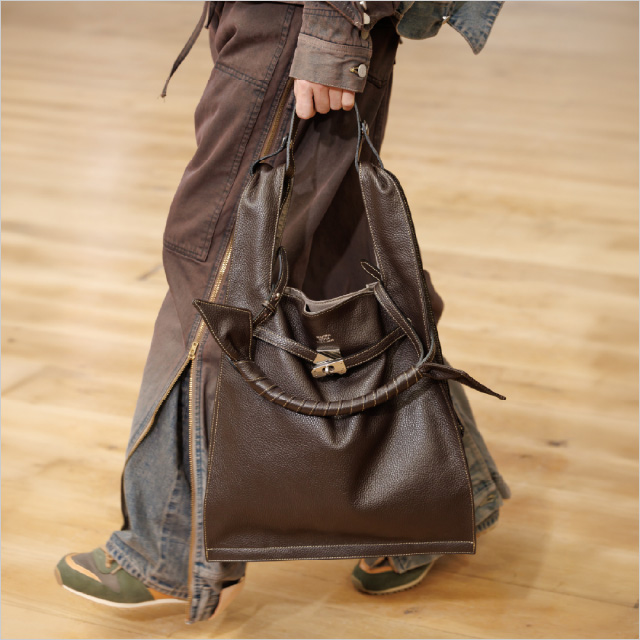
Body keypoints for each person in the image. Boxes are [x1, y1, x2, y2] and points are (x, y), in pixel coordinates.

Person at [54, 1, 510, 624]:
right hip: (308, 26)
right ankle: (435, 499)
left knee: (214, 272)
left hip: (298, 26)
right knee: (335, 267)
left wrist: (331, 29)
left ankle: (168, 550)